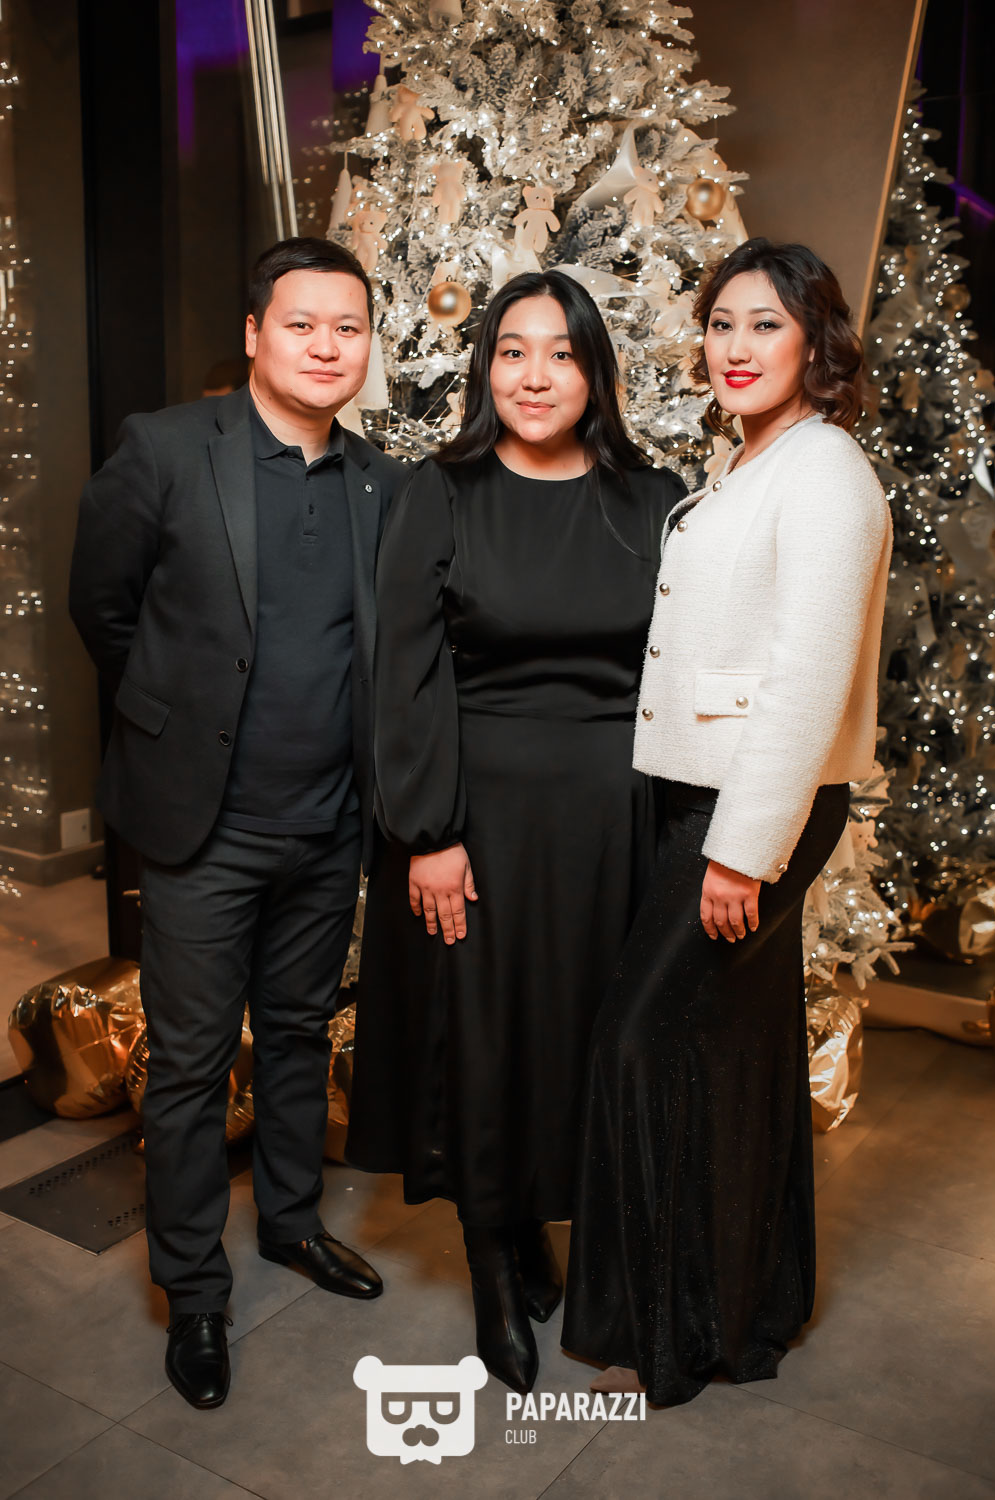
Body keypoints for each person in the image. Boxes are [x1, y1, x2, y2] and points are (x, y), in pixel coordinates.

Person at [69, 237, 405, 1410]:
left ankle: (293, 1223)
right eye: (301, 324)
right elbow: (103, 608)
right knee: (191, 1064)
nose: (326, 346)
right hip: (201, 829)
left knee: (301, 1034)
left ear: (366, 346)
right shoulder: (167, 448)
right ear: (256, 333)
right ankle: (194, 1292)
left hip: (328, 826)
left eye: (348, 328)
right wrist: (176, 721)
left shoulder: (381, 484)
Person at [562, 239, 892, 1405]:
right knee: (731, 1050)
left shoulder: (824, 474)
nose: (734, 347)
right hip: (701, 791)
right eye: (719, 324)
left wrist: (739, 853)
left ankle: (663, 1332)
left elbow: (804, 682)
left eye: (763, 324)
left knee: (640, 1041)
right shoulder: (750, 460)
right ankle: (742, 1312)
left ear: (813, 341)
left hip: (747, 807)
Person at [346, 270, 685, 1394]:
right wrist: (429, 832)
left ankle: (540, 1219)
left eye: (561, 353)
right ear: (485, 368)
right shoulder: (439, 493)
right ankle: (492, 1256)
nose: (534, 377)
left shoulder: (653, 498)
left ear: (595, 372)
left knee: (577, 1034)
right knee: (485, 1038)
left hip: (614, 821)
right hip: (478, 820)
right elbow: (404, 672)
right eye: (511, 351)